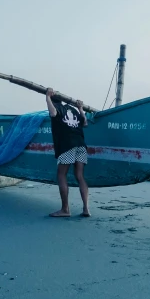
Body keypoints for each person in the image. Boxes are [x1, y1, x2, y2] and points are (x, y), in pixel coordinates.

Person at [46, 88, 90, 218]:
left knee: (61, 175)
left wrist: (47, 97)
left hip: (67, 146)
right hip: (81, 145)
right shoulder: (74, 110)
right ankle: (86, 208)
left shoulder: (57, 108)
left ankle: (65, 209)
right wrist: (81, 108)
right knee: (80, 176)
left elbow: (53, 113)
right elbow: (85, 123)